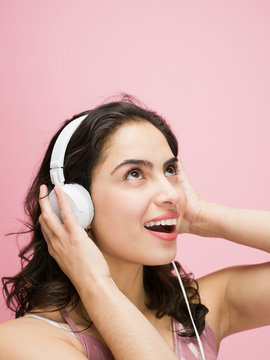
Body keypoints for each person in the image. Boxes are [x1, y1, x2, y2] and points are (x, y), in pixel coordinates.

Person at [0, 95, 269, 360]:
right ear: (74, 202)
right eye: (135, 173)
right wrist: (95, 283)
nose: (171, 195)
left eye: (170, 170)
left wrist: (202, 215)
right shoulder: (23, 343)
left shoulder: (196, 310)